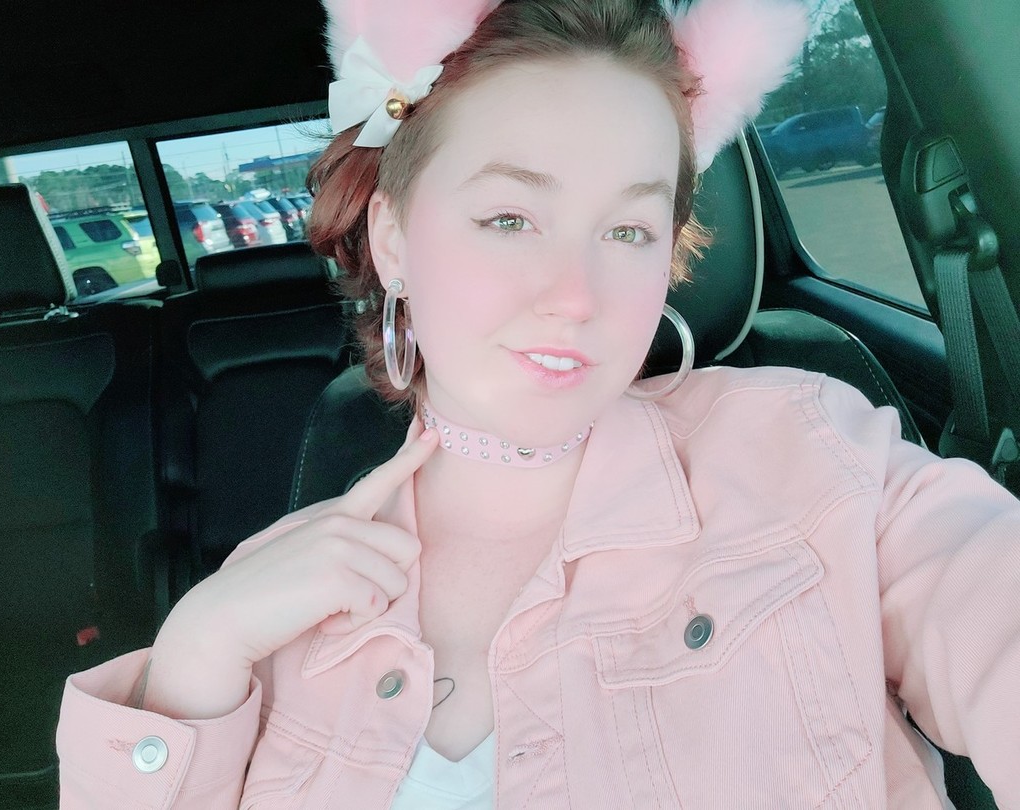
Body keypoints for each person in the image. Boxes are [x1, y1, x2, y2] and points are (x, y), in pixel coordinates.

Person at [56, 0, 1020, 806]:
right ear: (392, 239)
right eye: (511, 217)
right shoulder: (258, 602)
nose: (576, 295)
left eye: (628, 230)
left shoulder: (817, 457)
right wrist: (194, 656)